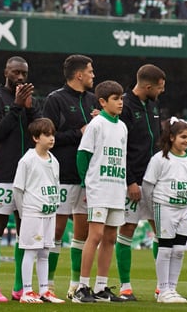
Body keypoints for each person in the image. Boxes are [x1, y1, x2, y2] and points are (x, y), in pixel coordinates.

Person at [43, 54, 98, 298]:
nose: (93, 75)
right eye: (90, 71)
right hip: (63, 174)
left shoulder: (94, 101)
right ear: (79, 75)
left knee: (83, 233)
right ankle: (49, 284)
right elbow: (49, 138)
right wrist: (81, 132)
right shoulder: (55, 100)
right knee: (56, 230)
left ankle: (75, 285)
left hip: (87, 177)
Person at [0, 56, 37, 302]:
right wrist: (16, 105)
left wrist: (30, 107)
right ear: (6, 71)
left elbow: (40, 131)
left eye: (24, 73)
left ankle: (19, 286)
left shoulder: (31, 101)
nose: (21, 77)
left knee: (25, 232)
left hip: (30, 177)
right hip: (4, 173)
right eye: (16, 72)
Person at [73, 80, 129, 303]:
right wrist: (87, 184)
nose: (120, 103)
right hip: (99, 187)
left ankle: (101, 287)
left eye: (122, 98)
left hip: (117, 188)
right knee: (94, 235)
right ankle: (82, 287)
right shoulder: (96, 124)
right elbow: (82, 156)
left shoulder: (122, 126)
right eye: (116, 99)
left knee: (110, 237)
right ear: (103, 102)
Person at [117, 64, 166, 301]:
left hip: (156, 181)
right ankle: (125, 286)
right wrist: (130, 181)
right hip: (134, 182)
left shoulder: (153, 106)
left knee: (161, 231)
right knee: (127, 228)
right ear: (148, 86)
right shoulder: (124, 106)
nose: (161, 91)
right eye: (160, 87)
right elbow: (121, 148)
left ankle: (163, 285)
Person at [143, 118, 187, 304]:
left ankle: (172, 289)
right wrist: (152, 209)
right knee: (165, 249)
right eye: (183, 137)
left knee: (179, 250)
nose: (186, 140)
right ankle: (163, 289)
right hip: (165, 206)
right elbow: (148, 185)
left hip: (184, 209)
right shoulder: (160, 158)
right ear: (172, 137)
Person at [15, 118, 65, 303]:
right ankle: (27, 292)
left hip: (49, 212)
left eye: (52, 134)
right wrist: (24, 212)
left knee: (45, 252)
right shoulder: (27, 160)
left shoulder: (54, 160)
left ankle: (44, 291)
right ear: (36, 138)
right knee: (31, 251)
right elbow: (18, 189)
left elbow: (56, 185)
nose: (51, 138)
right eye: (46, 135)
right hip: (32, 213)